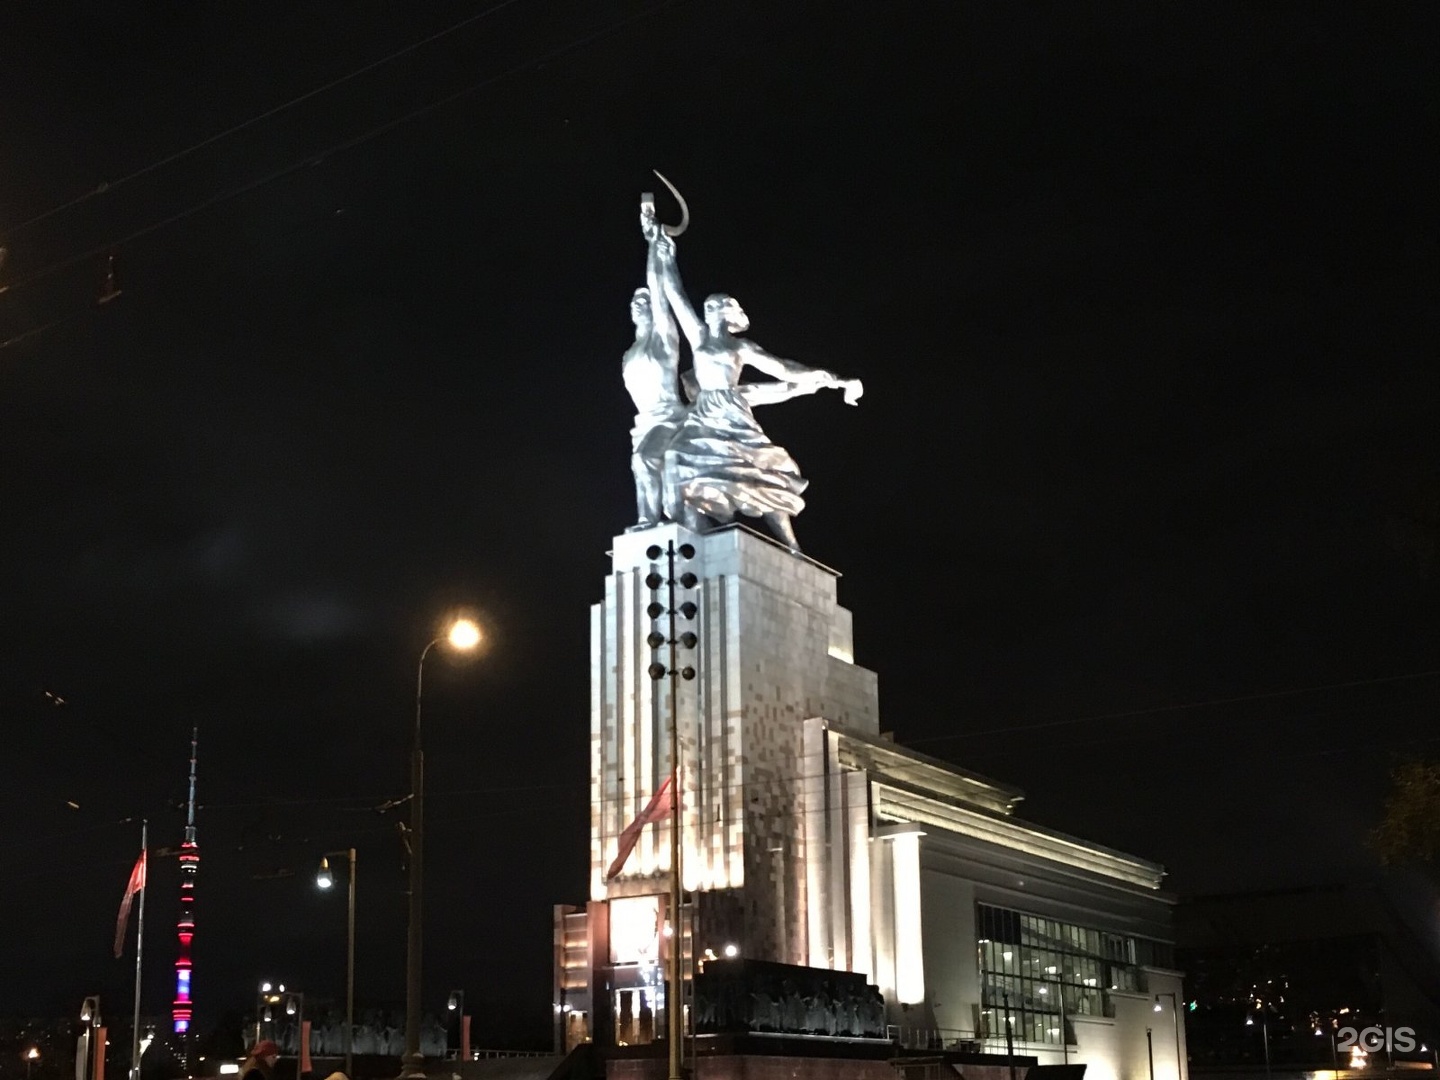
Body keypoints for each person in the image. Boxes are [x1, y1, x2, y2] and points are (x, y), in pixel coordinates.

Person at [651, 233, 861, 553]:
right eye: (706, 306)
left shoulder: (740, 346)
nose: (707, 310)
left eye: (714, 306)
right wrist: (664, 255)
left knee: (761, 472)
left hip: (732, 411)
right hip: (705, 411)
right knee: (676, 459)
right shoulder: (700, 338)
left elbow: (785, 369)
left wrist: (832, 379)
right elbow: (675, 295)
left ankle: (791, 544)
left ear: (726, 312)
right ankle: (695, 529)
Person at [621, 203, 687, 528]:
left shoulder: (664, 338)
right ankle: (650, 521)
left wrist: (652, 244)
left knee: (644, 459)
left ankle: (651, 522)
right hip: (643, 422)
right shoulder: (629, 353)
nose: (638, 305)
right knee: (641, 466)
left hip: (670, 418)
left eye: (643, 301)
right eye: (634, 302)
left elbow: (659, 292)